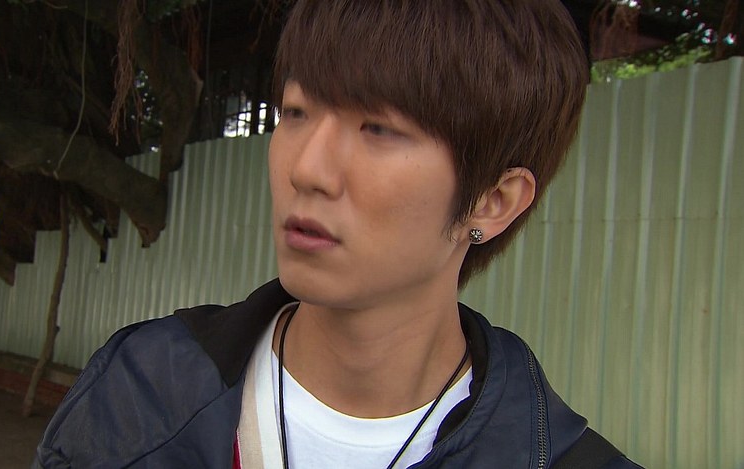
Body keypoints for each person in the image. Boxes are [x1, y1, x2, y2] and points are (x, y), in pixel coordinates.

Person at [34, 1, 642, 467]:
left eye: (378, 128)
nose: (306, 169)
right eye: (295, 113)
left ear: (492, 201)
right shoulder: (138, 393)